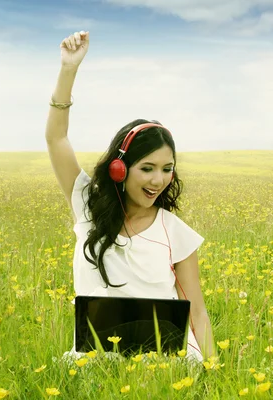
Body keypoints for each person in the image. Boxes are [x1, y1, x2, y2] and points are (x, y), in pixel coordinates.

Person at [45, 31, 215, 362]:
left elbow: (197, 313)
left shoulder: (174, 231)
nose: (159, 180)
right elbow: (56, 138)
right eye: (147, 168)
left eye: (167, 169)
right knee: (90, 365)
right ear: (119, 170)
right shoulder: (87, 205)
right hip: (99, 355)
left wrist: (215, 372)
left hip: (166, 360)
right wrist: (68, 70)